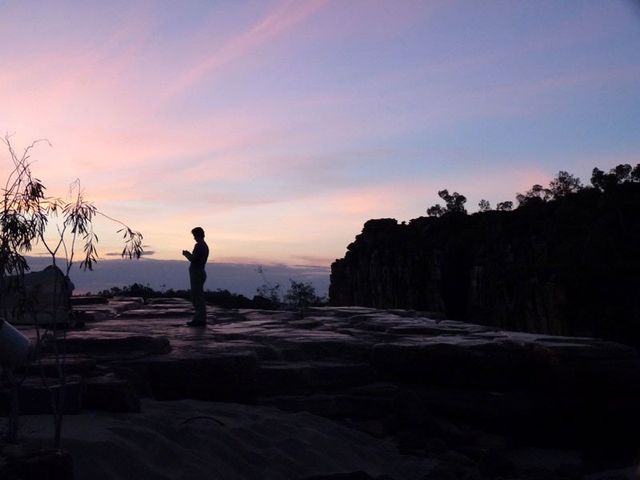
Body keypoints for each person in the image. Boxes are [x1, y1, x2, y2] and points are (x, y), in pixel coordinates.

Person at [182, 227, 209, 327]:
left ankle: (199, 319)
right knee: (198, 296)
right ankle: (199, 318)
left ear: (198, 235)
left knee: (197, 297)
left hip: (197, 273)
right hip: (200, 272)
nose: (194, 238)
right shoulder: (204, 246)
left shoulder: (199, 245)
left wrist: (186, 254)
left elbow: (193, 259)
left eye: (194, 236)